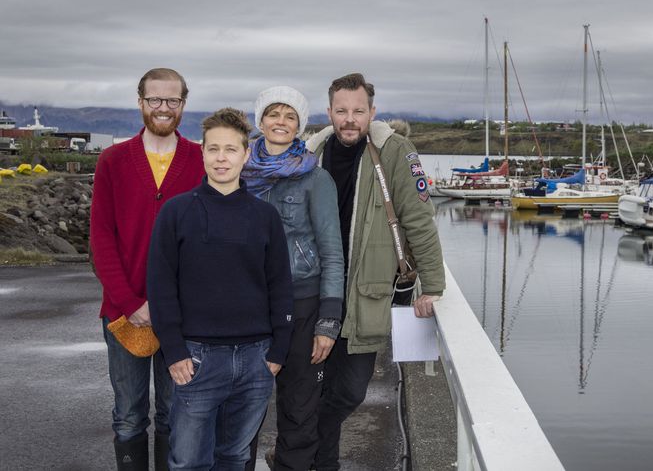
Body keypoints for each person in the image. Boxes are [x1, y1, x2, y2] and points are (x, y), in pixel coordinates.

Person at [305, 73, 446, 470]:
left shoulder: (395, 151)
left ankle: (299, 447)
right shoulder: (310, 153)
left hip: (365, 295)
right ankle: (319, 462)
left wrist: (432, 286)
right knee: (310, 388)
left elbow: (419, 220)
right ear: (330, 111)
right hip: (314, 293)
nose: (350, 119)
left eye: (358, 111)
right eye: (342, 111)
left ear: (372, 112)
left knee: (349, 391)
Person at [147, 107, 294, 470]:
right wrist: (174, 349)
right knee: (188, 462)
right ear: (203, 154)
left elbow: (280, 284)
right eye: (213, 149)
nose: (221, 158)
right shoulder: (176, 212)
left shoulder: (265, 217)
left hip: (255, 359)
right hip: (196, 360)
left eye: (230, 149)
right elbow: (161, 285)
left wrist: (279, 349)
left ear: (246, 154)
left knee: (234, 457)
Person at [89, 68, 204, 470]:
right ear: (140, 102)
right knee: (129, 414)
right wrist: (131, 303)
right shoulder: (113, 160)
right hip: (123, 314)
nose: (163, 108)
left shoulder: (200, 159)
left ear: (183, 105)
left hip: (183, 315)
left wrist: (170, 303)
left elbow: (205, 242)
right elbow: (101, 239)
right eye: (154, 99)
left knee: (176, 414)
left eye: (172, 100)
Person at [241, 86, 344, 470]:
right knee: (241, 410)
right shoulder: (236, 173)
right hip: (248, 307)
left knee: (299, 411)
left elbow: (333, 254)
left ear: (300, 124)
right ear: (260, 121)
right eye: (273, 114)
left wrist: (328, 320)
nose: (280, 122)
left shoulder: (317, 181)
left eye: (289, 116)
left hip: (303, 305)